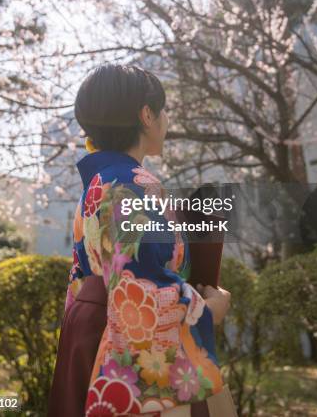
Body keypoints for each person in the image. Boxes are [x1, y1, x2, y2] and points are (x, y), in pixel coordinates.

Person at [47, 63, 236, 417]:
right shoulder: (129, 187)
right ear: (146, 115)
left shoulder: (107, 180)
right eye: (162, 110)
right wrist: (210, 310)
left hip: (93, 326)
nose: (166, 119)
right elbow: (141, 292)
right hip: (124, 334)